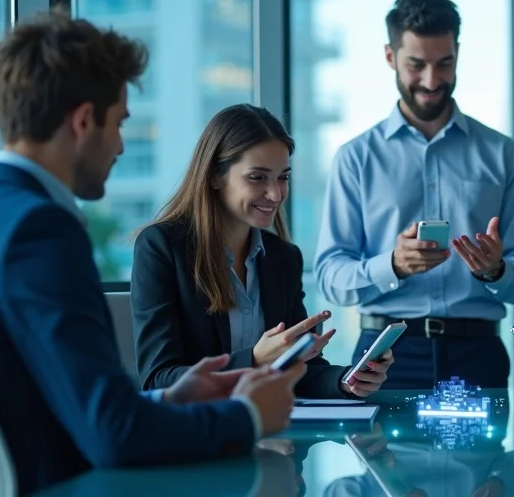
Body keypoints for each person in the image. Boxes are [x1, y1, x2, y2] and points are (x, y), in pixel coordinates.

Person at [0, 7, 305, 495]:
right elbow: (113, 435)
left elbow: (67, 404)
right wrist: (245, 417)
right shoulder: (38, 231)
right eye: (119, 123)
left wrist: (171, 401)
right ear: (84, 120)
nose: (120, 147)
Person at [313, 0, 514, 390]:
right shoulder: (356, 158)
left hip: (478, 358)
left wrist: (498, 270)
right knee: (376, 456)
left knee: (479, 455)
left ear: (458, 53)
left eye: (444, 63)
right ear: (391, 57)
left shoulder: (502, 154)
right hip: (382, 357)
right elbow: (331, 277)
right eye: (416, 64)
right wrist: (393, 265)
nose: (431, 80)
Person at [131, 104, 392, 399]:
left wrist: (346, 380)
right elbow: (158, 380)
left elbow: (300, 370)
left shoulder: (283, 257)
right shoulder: (161, 247)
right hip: (195, 435)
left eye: (283, 177)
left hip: (268, 431)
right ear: (215, 175)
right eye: (257, 177)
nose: (276, 194)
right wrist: (254, 361)